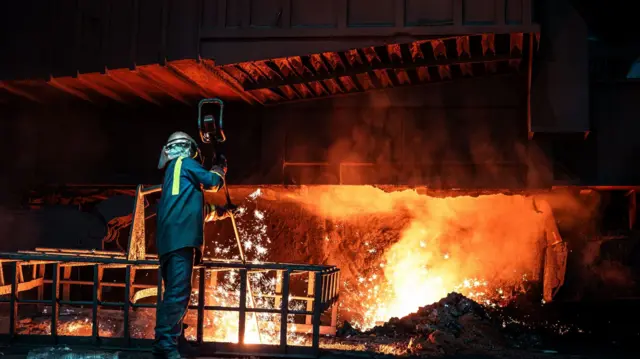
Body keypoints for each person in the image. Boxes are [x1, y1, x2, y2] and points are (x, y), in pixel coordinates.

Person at [153, 131, 233, 359]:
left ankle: (177, 342)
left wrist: (220, 213)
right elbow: (213, 182)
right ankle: (165, 346)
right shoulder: (184, 163)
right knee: (178, 294)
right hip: (180, 241)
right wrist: (220, 167)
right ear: (189, 148)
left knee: (174, 293)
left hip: (171, 241)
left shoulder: (173, 174)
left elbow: (191, 211)